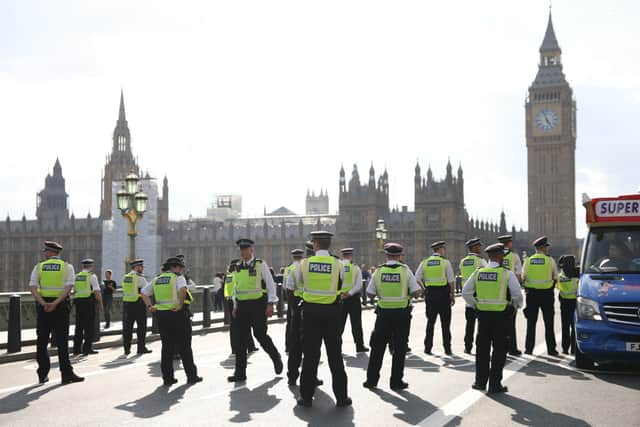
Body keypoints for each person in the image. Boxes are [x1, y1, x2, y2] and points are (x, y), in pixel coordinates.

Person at [296, 231, 351, 408]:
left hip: (311, 313)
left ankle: (306, 397)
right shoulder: (338, 264)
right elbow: (343, 285)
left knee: (311, 356)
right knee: (335, 356)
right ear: (329, 245)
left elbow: (299, 283)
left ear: (315, 245)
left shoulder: (304, 263)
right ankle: (342, 398)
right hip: (332, 313)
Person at [463, 243, 523, 394]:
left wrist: (475, 305)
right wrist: (515, 307)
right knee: (499, 351)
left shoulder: (478, 272)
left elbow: (465, 292)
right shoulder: (506, 273)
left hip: (483, 317)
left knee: (482, 350)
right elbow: (517, 295)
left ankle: (480, 382)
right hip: (501, 317)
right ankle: (495, 384)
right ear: (501, 257)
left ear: (488, 257)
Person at [364, 243, 422, 390]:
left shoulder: (378, 271)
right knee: (399, 349)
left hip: (383, 314)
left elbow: (369, 293)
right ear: (400, 256)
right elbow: (416, 292)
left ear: (386, 255)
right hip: (402, 315)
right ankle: (396, 382)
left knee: (377, 348)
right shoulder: (405, 271)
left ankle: (371, 380)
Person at [141, 257, 202, 386]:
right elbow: (183, 290)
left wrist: (149, 307)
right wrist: (180, 305)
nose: (181, 269)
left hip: (162, 315)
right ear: (173, 267)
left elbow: (143, 292)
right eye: (179, 267)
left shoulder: (156, 279)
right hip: (177, 314)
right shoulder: (178, 278)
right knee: (185, 347)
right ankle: (191, 376)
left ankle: (168, 378)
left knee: (167, 348)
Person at [227, 238, 283, 382]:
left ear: (251, 250)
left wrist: (271, 303)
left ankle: (276, 357)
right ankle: (240, 373)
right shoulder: (237, 267)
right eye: (241, 250)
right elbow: (235, 288)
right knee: (240, 340)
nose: (243, 252)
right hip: (242, 307)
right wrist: (235, 305)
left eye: (246, 249)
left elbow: (271, 284)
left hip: (258, 305)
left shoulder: (260, 264)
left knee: (260, 335)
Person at [29, 241, 84, 385]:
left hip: (43, 307)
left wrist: (43, 303)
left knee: (42, 341)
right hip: (60, 306)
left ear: (49, 252)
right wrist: (55, 303)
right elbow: (68, 288)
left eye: (45, 251)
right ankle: (66, 375)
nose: (45, 254)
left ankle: (42, 374)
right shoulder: (67, 267)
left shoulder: (39, 267)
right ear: (58, 252)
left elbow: (33, 287)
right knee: (62, 342)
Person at [285, 248, 323, 387]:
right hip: (314, 307)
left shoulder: (297, 268)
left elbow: (288, 288)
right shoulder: (323, 267)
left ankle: (292, 376)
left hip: (298, 305)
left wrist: (293, 308)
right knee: (313, 347)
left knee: (295, 345)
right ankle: (312, 377)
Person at [415, 241, 456, 355]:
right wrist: (452, 295)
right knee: (445, 323)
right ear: (440, 249)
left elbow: (417, 278)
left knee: (430, 322)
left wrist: (424, 289)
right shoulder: (445, 262)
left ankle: (428, 347)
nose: (444, 251)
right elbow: (452, 280)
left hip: (430, 294)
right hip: (443, 294)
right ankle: (447, 348)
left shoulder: (424, 262)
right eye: (444, 249)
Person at [523, 236, 559, 356]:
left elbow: (523, 277)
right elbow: (555, 277)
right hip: (547, 295)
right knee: (549, 323)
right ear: (543, 248)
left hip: (532, 295)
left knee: (531, 323)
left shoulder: (528, 260)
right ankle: (551, 349)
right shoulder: (550, 260)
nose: (547, 249)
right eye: (546, 247)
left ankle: (528, 349)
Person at [459, 238, 488, 354]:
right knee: (482, 325)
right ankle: (479, 346)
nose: (480, 248)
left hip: (468, 296)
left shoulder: (463, 261)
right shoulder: (480, 261)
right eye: (478, 246)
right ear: (474, 248)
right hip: (479, 296)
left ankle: (467, 347)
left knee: (469, 324)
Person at [224, 259, 258, 356]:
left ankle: (234, 348)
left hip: (229, 301)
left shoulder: (229, 276)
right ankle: (250, 346)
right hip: (238, 300)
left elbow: (226, 290)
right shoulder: (237, 275)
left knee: (233, 326)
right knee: (245, 324)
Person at [498, 234, 524, 356]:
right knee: (511, 321)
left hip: (498, 292)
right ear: (509, 243)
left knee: (499, 322)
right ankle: (512, 348)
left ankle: (500, 347)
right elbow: (519, 276)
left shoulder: (495, 256)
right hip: (510, 292)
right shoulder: (514, 257)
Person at [339, 248, 368, 353]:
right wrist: (350, 293)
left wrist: (341, 294)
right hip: (353, 299)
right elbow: (359, 284)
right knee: (356, 323)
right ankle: (359, 346)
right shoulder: (355, 268)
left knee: (339, 324)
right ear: (351, 256)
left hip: (339, 299)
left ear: (342, 255)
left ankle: (337, 346)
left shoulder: (337, 266)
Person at [73, 258, 103, 356]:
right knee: (89, 327)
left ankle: (76, 349)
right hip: (89, 303)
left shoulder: (76, 276)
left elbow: (73, 290)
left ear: (83, 266)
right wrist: (100, 304)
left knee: (79, 326)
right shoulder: (91, 276)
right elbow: (97, 292)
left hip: (78, 303)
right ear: (91, 266)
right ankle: (87, 348)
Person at [122, 259, 151, 355]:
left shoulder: (126, 277)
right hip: (138, 304)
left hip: (127, 304)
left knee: (128, 328)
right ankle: (141, 348)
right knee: (141, 327)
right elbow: (147, 292)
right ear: (137, 267)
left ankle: (127, 348)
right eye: (141, 267)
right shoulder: (140, 278)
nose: (142, 269)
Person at [557, 255, 578, 354]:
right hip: (576, 303)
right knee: (574, 326)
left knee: (565, 326)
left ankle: (565, 348)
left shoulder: (561, 274)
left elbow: (557, 287)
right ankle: (574, 348)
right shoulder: (578, 273)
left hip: (564, 302)